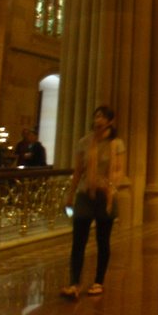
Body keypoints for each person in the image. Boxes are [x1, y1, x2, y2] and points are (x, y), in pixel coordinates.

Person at [60, 105, 125, 300]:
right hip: (84, 194)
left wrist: (111, 188)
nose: (98, 120)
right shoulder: (84, 142)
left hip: (105, 196)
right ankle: (74, 283)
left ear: (110, 121)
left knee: (102, 241)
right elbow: (78, 170)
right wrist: (70, 194)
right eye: (96, 116)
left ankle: (98, 281)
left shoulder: (117, 144)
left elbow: (119, 170)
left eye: (102, 117)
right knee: (78, 241)